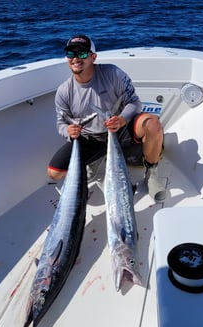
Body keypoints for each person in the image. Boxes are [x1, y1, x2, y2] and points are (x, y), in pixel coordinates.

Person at [47, 34, 166, 202]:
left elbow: (134, 102)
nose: (75, 58)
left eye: (82, 54)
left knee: (152, 125)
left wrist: (122, 119)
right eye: (71, 54)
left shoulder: (112, 73)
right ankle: (94, 161)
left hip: (120, 130)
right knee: (54, 173)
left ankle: (152, 173)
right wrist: (68, 130)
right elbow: (61, 122)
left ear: (93, 57)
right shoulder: (64, 91)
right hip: (91, 138)